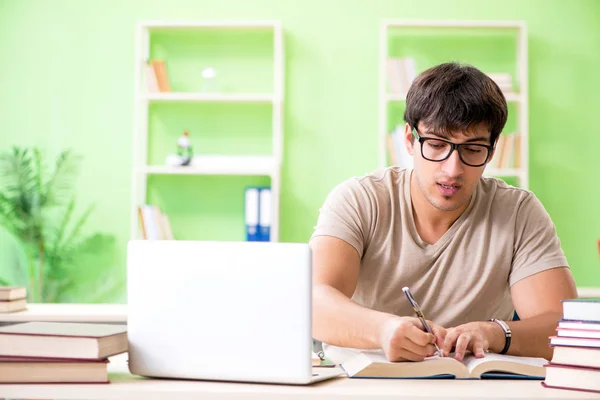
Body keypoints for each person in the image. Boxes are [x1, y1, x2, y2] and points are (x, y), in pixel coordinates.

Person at [310, 62, 577, 363]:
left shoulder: (518, 212)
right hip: (363, 385)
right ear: (409, 140)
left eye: (473, 150)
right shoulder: (359, 199)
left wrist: (493, 333)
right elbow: (313, 300)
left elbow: (565, 328)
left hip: (477, 388)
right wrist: (383, 330)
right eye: (436, 145)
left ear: (492, 149)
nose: (453, 170)